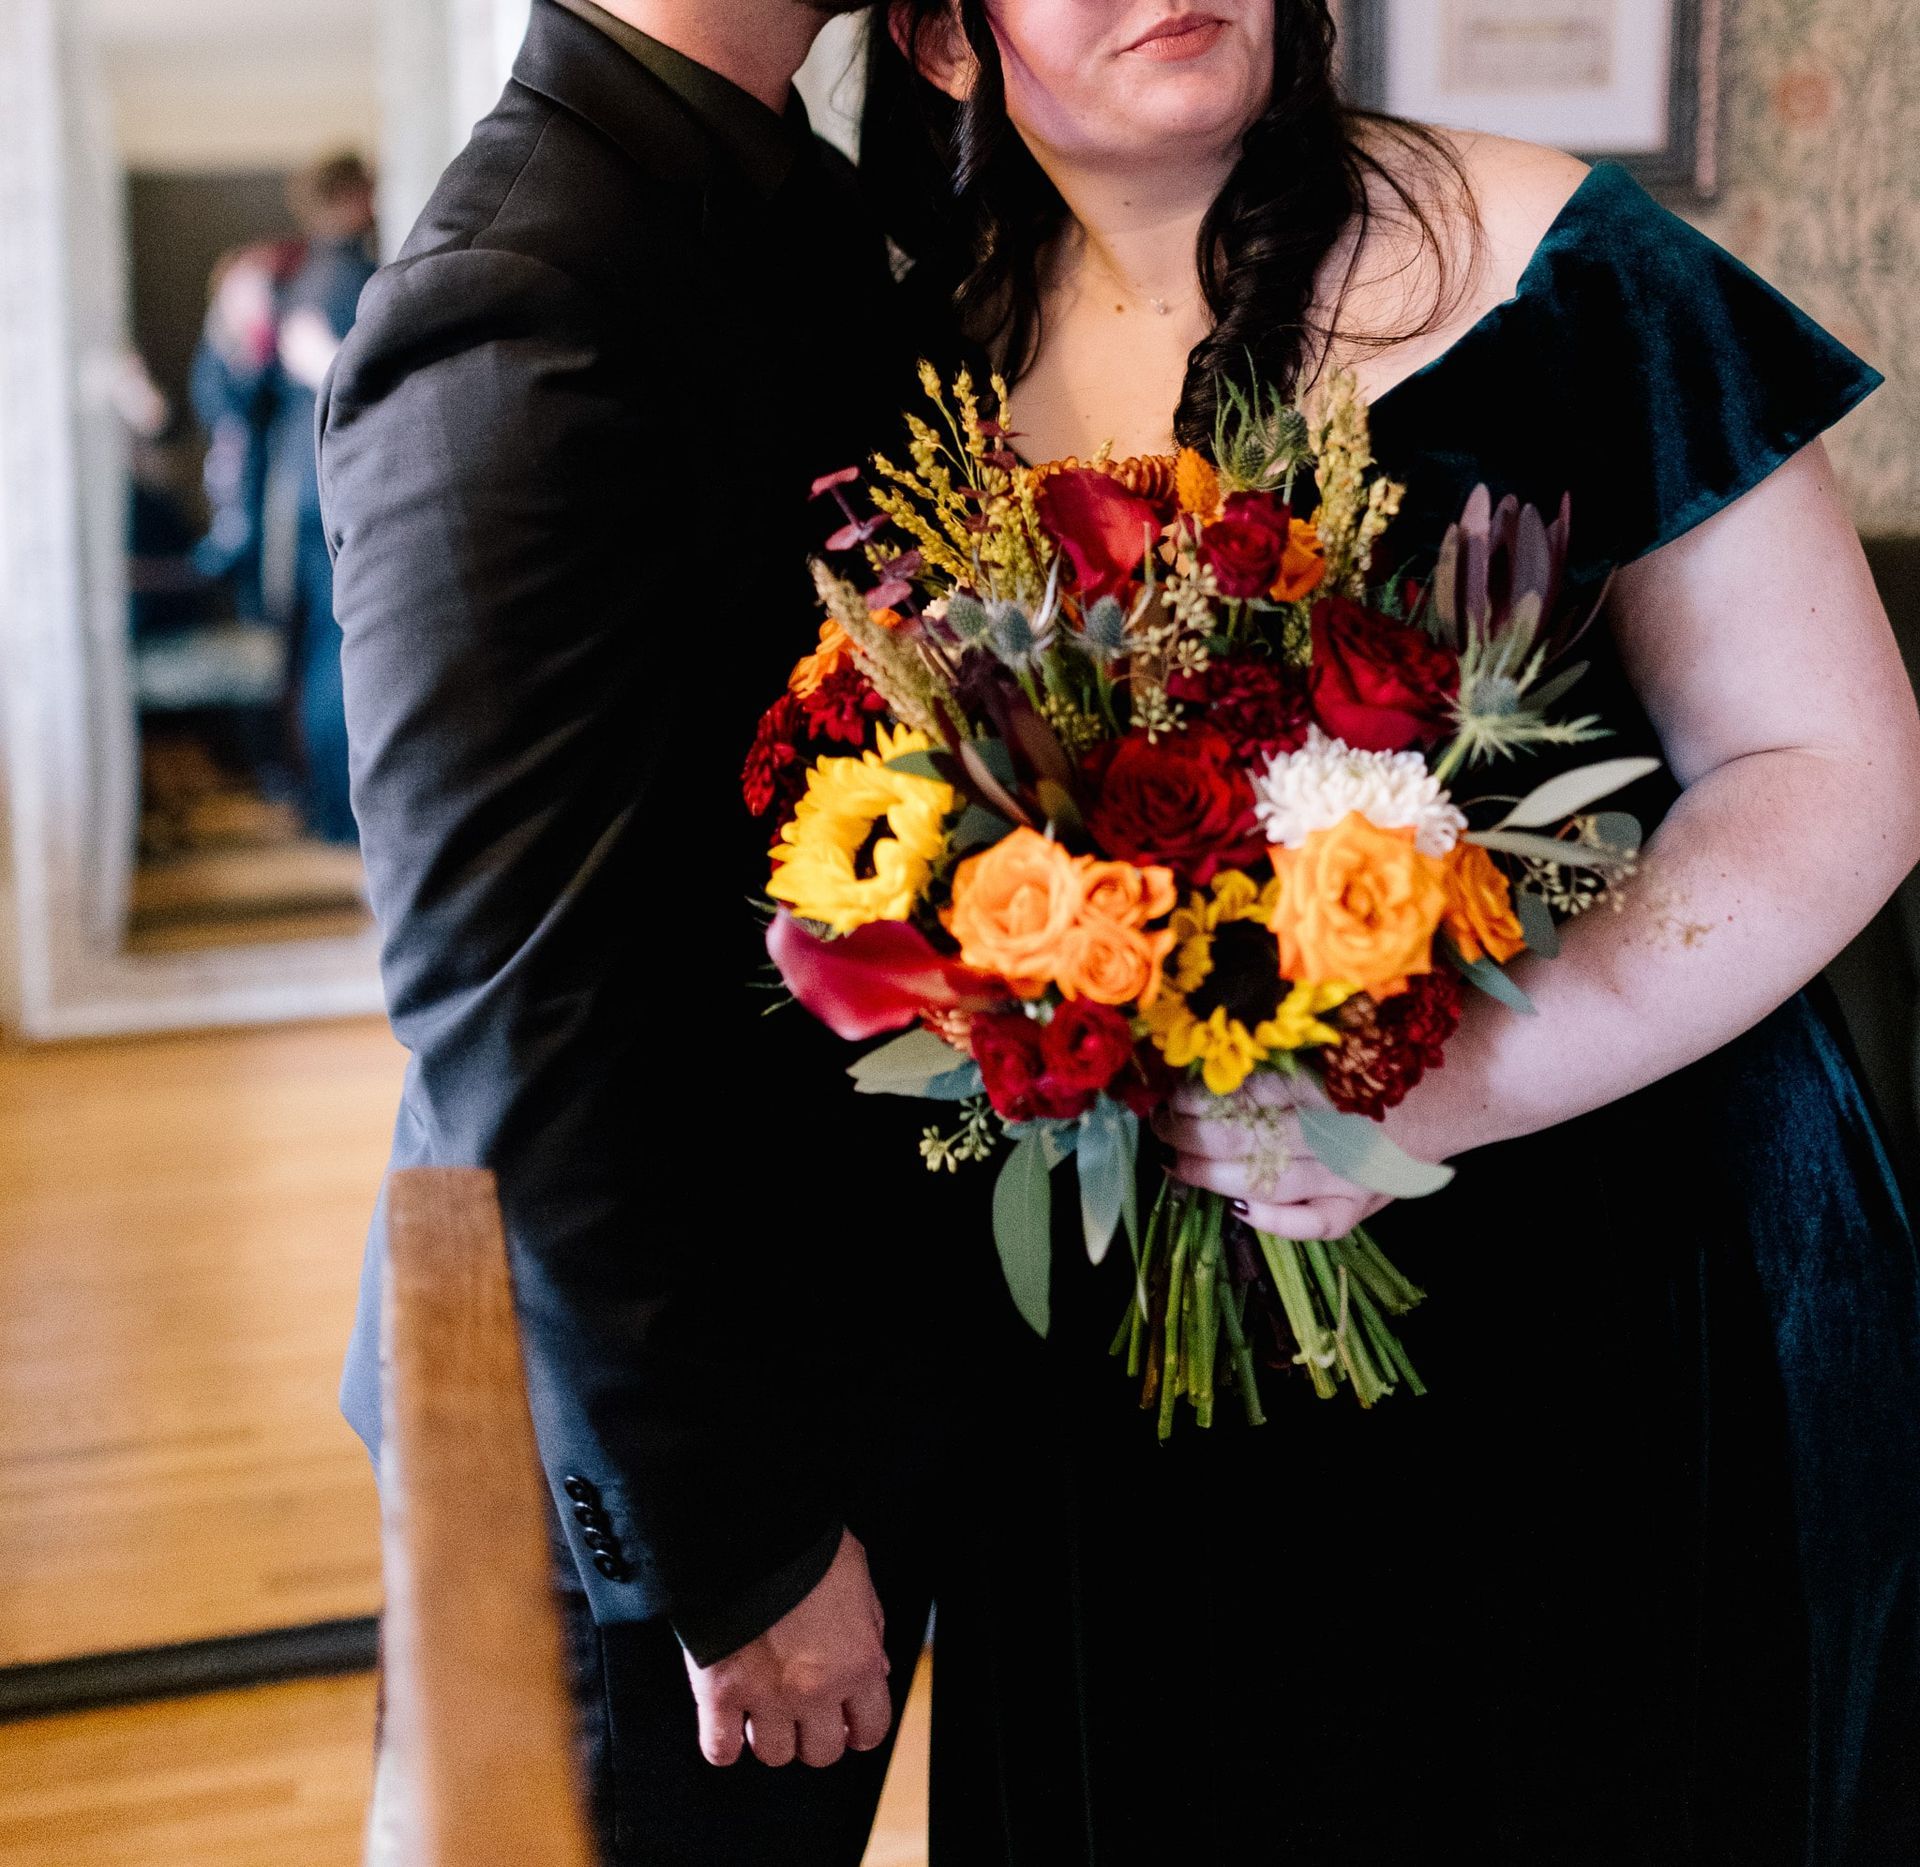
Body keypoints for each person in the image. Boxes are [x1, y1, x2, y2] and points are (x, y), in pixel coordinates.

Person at [868, 3, 1920, 1862]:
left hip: (1599, 1298)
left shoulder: (1568, 271)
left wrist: (1450, 1084)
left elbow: (1830, 761)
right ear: (946, 40)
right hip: (1131, 1347)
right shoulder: (907, 362)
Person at [319, 6, 959, 1864]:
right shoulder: (519, 284)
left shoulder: (788, 201)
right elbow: (509, 1002)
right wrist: (730, 1543)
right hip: (640, 1440)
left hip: (827, 1348)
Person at [273, 154, 378, 845]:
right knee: (344, 651)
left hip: (306, 489)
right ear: (354, 196)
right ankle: (342, 816)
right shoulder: (353, 281)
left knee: (328, 645)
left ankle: (329, 810)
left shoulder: (302, 282)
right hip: (341, 487)